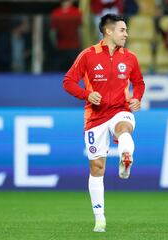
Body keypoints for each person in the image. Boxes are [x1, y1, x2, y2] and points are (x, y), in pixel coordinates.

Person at [63, 14, 145, 233]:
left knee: (124, 128)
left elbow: (139, 82)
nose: (126, 34)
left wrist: (137, 97)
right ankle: (99, 218)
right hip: (95, 117)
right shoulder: (88, 55)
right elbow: (68, 82)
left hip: (120, 109)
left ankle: (126, 155)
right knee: (97, 167)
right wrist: (87, 94)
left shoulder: (130, 58)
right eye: (122, 30)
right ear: (108, 31)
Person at [50, 0, 82, 71]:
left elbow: (80, 30)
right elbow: (53, 31)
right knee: (60, 70)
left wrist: (80, 43)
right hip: (61, 47)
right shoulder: (56, 13)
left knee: (73, 70)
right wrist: (54, 43)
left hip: (74, 46)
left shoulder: (76, 12)